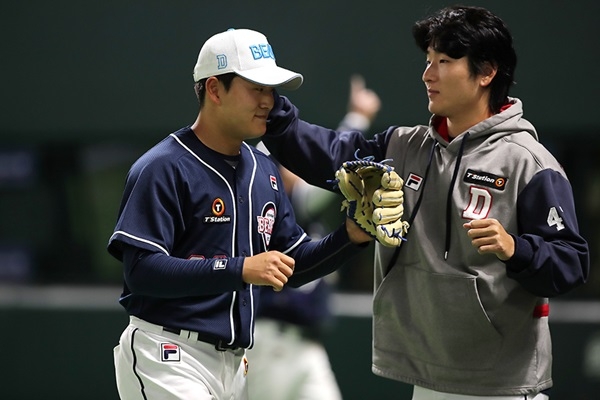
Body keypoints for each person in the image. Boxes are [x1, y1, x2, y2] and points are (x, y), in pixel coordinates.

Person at [262, 5, 590, 399]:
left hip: (503, 385)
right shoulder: (404, 145)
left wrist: (515, 248)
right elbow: (326, 153)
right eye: (428, 60)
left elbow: (570, 263)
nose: (428, 74)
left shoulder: (529, 162)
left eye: (445, 61)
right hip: (428, 381)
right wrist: (267, 102)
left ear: (486, 72)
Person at [107, 28, 370, 400]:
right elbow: (141, 272)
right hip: (167, 352)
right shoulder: (163, 167)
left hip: (236, 364)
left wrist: (352, 235)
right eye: (256, 88)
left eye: (271, 90)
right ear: (214, 89)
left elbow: (293, 265)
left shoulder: (264, 170)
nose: (269, 102)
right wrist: (241, 268)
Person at [247, 75, 381, 400]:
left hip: (307, 343)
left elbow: (327, 164)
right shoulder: (266, 206)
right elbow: (327, 170)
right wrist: (358, 118)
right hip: (270, 342)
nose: (295, 168)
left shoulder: (297, 206)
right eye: (286, 162)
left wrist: (358, 117)